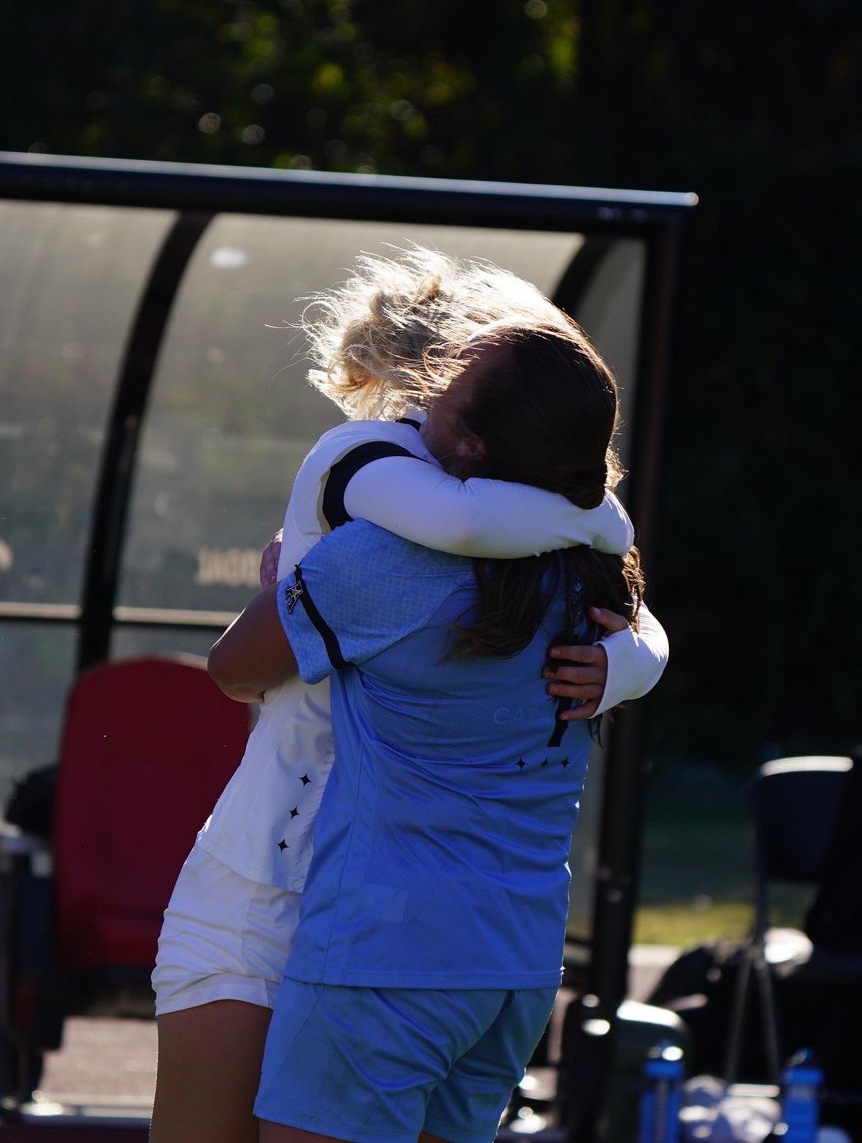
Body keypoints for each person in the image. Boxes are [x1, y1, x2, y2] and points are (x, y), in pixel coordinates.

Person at [150, 249, 668, 1143]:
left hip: (352, 914)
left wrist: (293, 593)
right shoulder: (582, 555)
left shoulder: (389, 551)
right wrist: (619, 614)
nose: (428, 400)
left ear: (475, 437)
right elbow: (620, 611)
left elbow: (238, 667)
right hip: (450, 936)